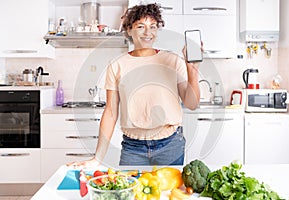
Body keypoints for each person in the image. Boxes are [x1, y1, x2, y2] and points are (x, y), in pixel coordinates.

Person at [67, 3, 200, 168]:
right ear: (129, 30)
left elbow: (192, 104)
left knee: (166, 193)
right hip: (133, 148)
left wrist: (192, 71)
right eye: (141, 26)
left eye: (153, 26)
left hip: (170, 144)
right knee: (131, 193)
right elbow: (110, 112)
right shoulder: (117, 65)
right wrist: (97, 158)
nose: (148, 32)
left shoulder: (172, 61)